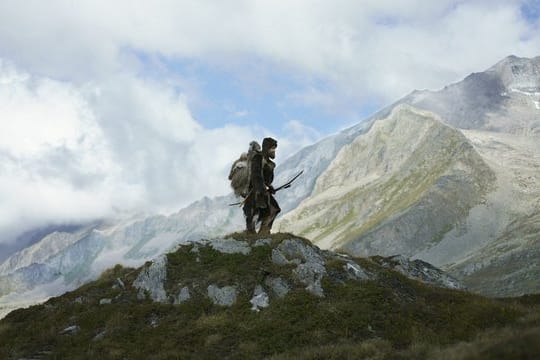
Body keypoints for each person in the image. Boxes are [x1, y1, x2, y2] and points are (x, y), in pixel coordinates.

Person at [243, 137, 281, 235]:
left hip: (264, 192)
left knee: (274, 209)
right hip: (255, 192)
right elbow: (256, 175)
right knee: (253, 214)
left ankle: (264, 232)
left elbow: (267, 180)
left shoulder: (270, 163)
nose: (274, 151)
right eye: (272, 148)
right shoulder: (258, 158)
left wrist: (269, 187)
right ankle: (250, 235)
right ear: (267, 148)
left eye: (274, 149)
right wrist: (262, 188)